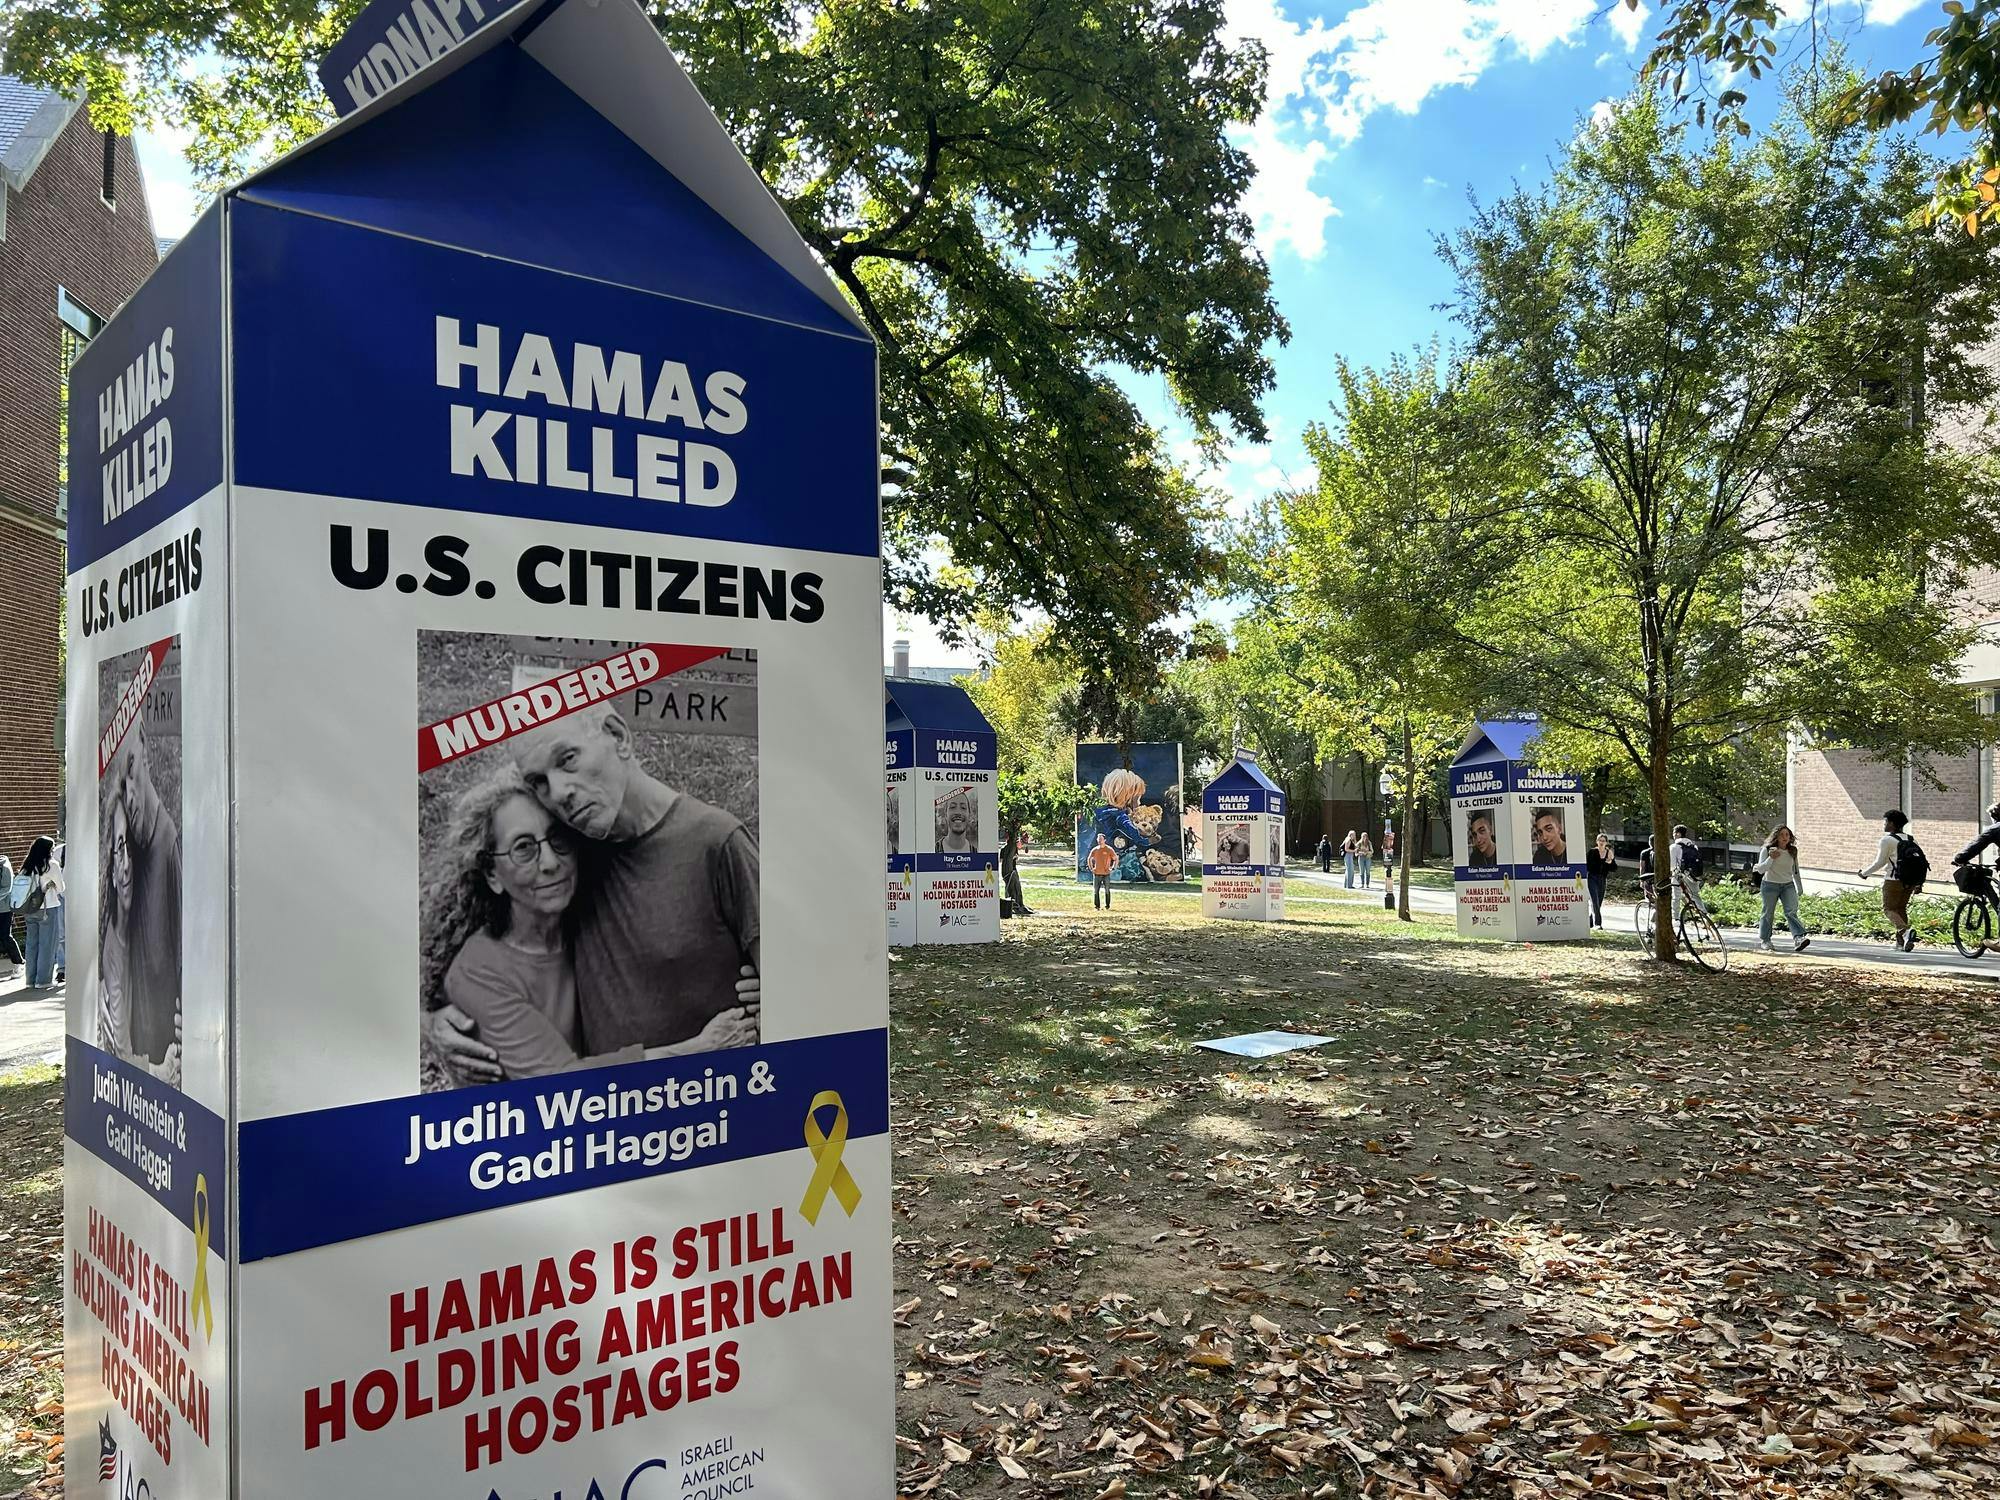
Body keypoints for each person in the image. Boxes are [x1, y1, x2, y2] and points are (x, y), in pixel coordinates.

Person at [429, 706, 762, 1077]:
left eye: (568, 759)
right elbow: (481, 960)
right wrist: (432, 1021)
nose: (558, 793)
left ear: (618, 737)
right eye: (538, 780)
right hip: (606, 1119)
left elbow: (800, 988)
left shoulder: (716, 842)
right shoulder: (571, 857)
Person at [421, 767, 653, 1082]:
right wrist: (700, 1050)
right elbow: (562, 1082)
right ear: (492, 875)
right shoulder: (478, 971)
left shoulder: (587, 920)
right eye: (524, 848)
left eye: (558, 839)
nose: (550, 863)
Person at [103, 727, 182, 1074]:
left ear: (146, 751)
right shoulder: (133, 853)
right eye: (123, 785)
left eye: (131, 769)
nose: (131, 794)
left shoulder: (169, 847)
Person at [1858, 808, 1926, 952]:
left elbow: (1880, 862)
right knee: (1900, 909)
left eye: (1886, 821)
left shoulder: (1887, 840)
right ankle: (1901, 943)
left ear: (1892, 823)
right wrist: (1919, 883)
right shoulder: (1911, 839)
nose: (1884, 824)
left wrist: (1864, 873)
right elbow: (1919, 862)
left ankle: (1905, 932)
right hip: (1909, 881)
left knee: (1889, 909)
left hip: (1893, 880)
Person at [1753, 825, 1811, 954]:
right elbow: (1761, 869)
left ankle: (1799, 938)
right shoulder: (1767, 849)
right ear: (1776, 837)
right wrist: (1771, 858)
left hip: (1787, 885)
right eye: (1782, 835)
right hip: (1770, 885)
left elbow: (1795, 871)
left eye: (1787, 835)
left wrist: (1799, 887)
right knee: (1768, 913)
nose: (1785, 837)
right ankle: (1765, 940)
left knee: (1791, 911)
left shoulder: (1792, 851)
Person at [17, 837, 60, 989]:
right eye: (52, 847)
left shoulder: (26, 865)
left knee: (32, 945)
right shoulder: (51, 865)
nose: (54, 849)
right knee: (47, 945)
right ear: (48, 850)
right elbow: (61, 888)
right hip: (48, 908)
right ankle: (43, 980)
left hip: (29, 909)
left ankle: (30, 980)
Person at [1585, 833, 1615, 928]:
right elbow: (1588, 866)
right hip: (1592, 878)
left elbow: (1614, 868)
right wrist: (1603, 861)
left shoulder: (1609, 853)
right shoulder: (1592, 852)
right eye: (1600, 840)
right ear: (1597, 842)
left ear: (1606, 842)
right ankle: (1598, 924)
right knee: (1594, 901)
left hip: (1602, 879)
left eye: (1603, 841)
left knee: (1599, 902)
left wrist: (1610, 861)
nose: (1601, 842)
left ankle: (1590, 920)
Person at [46, 838, 65, 984]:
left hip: (85, 897)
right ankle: (62, 969)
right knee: (61, 934)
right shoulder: (60, 851)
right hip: (62, 897)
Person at [936, 789, 977, 854]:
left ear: (969, 814)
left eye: (963, 808)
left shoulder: (976, 853)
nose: (958, 812)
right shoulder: (934, 850)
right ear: (946, 814)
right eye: (953, 807)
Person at [0, 845, 19, 980]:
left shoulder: (4, 866)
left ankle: (18, 963)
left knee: (5, 936)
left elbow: (7, 888)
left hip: (4, 908)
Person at [1087, 833, 1117, 909]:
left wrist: (1112, 868)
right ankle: (1097, 906)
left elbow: (1115, 859)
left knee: (1107, 890)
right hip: (1097, 874)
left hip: (1106, 874)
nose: (1099, 841)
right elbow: (1089, 859)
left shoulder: (1109, 849)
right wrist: (1091, 868)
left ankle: (1107, 905)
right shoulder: (1095, 849)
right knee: (1096, 891)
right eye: (1098, 839)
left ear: (1105, 840)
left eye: (1101, 839)